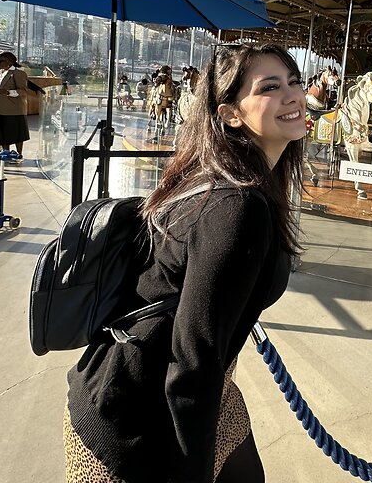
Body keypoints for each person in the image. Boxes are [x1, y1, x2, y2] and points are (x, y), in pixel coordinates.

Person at [64, 43, 309, 483]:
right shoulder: (238, 206)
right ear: (231, 113)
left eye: (294, 81)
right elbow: (193, 360)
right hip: (136, 416)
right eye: (270, 87)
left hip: (190, 391)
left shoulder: (224, 178)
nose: (293, 95)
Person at [0, 51, 31, 162]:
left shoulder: (18, 73)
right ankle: (5, 154)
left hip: (14, 109)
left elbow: (23, 91)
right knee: (3, 134)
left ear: (10, 61)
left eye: (0, 61)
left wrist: (8, 92)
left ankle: (18, 155)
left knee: (16, 134)